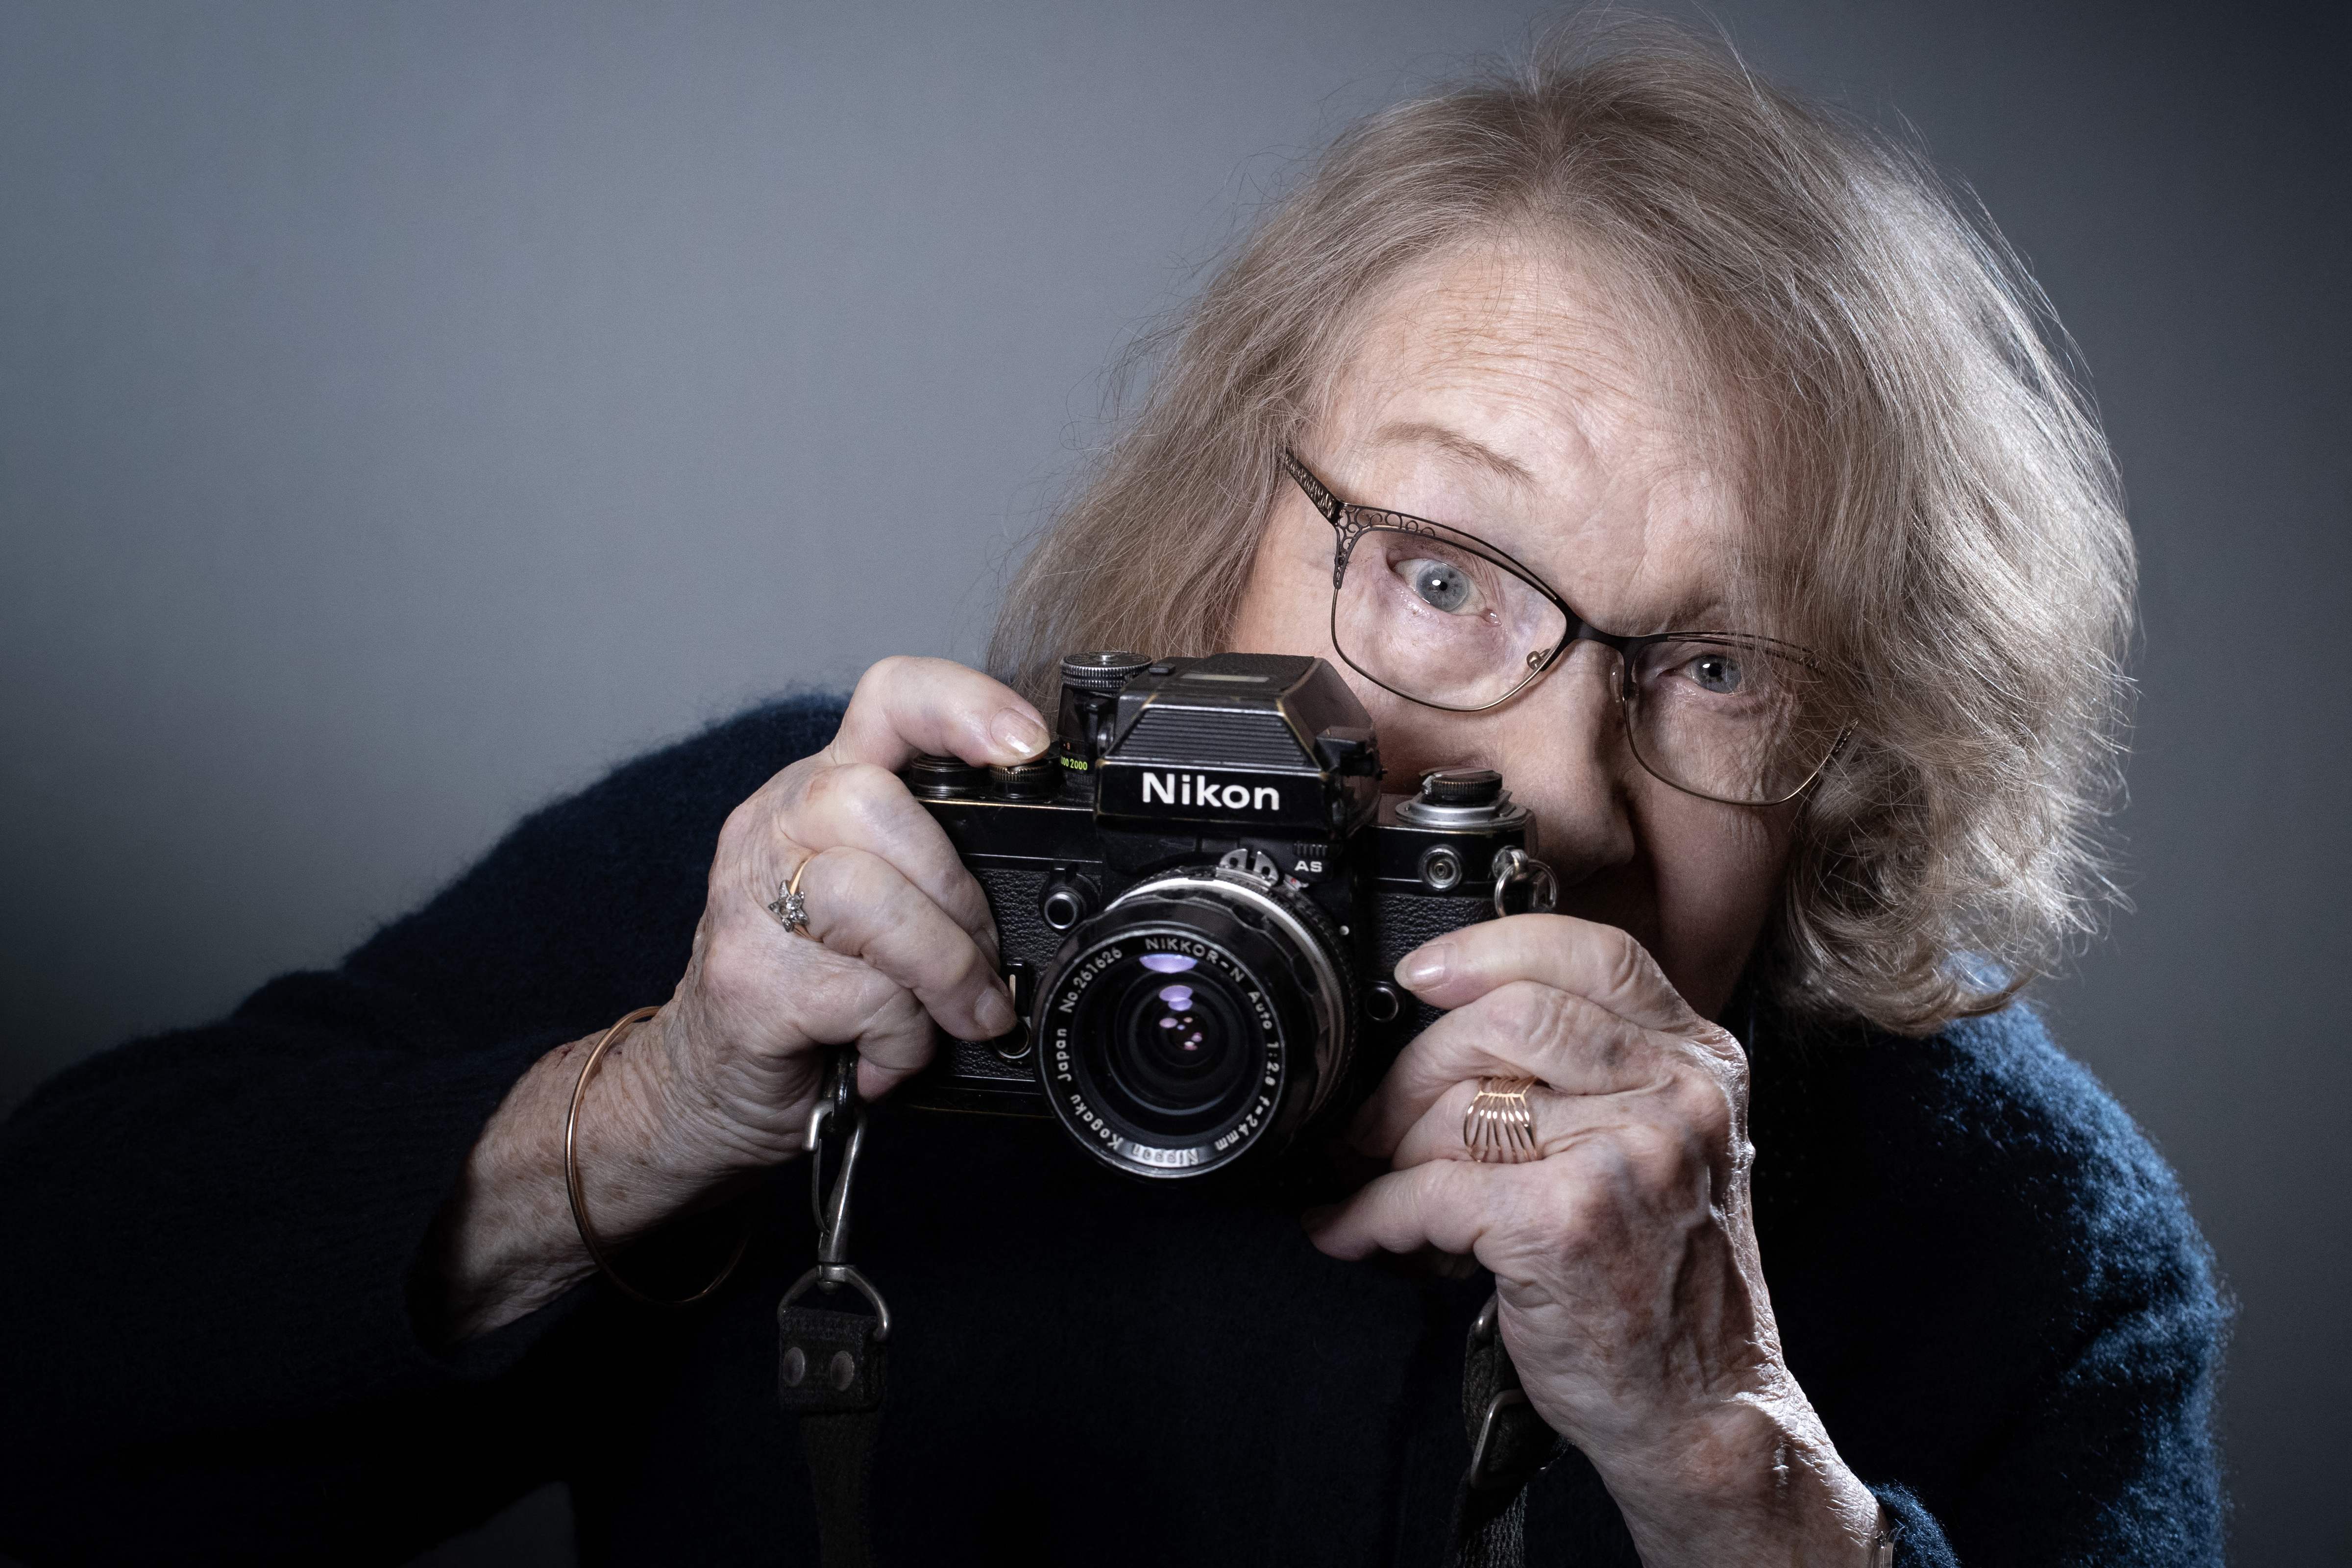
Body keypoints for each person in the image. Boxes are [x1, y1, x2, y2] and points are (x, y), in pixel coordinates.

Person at [0, 21, 2224, 1568]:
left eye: (1724, 665)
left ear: (1869, 745)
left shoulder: (2014, 1220)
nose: (1544, 778)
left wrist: (1731, 1465)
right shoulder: (867, 884)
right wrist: (650, 1107)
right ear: (1231, 524)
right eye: (1438, 573)